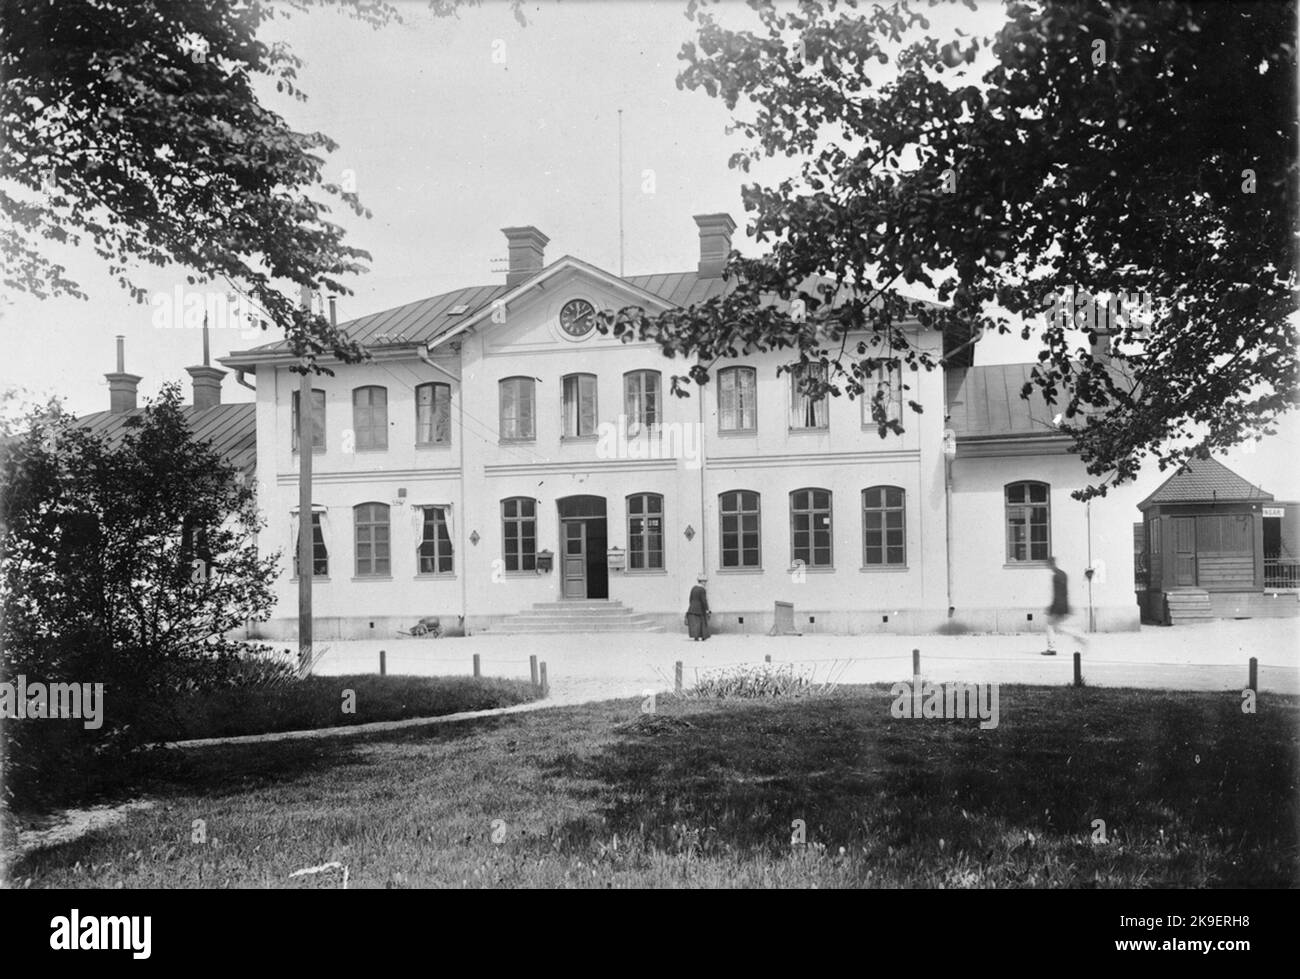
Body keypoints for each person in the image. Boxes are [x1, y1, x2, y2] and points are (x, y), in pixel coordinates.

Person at [1043, 555, 1088, 656]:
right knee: (1057, 627)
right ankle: (1081, 638)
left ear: (1051, 564)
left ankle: (1052, 648)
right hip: (1063, 604)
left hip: (1059, 605)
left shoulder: (1056, 576)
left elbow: (1057, 593)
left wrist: (1052, 608)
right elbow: (1065, 592)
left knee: (1052, 626)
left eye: (1048, 565)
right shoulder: (1063, 574)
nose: (1048, 567)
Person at [686, 575, 711, 640]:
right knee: (702, 622)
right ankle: (703, 636)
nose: (705, 583)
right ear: (702, 582)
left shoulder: (693, 588)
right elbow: (704, 600)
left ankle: (696, 637)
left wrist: (691, 605)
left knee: (695, 623)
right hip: (700, 609)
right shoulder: (702, 589)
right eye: (705, 581)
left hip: (692, 608)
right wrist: (707, 609)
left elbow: (690, 598)